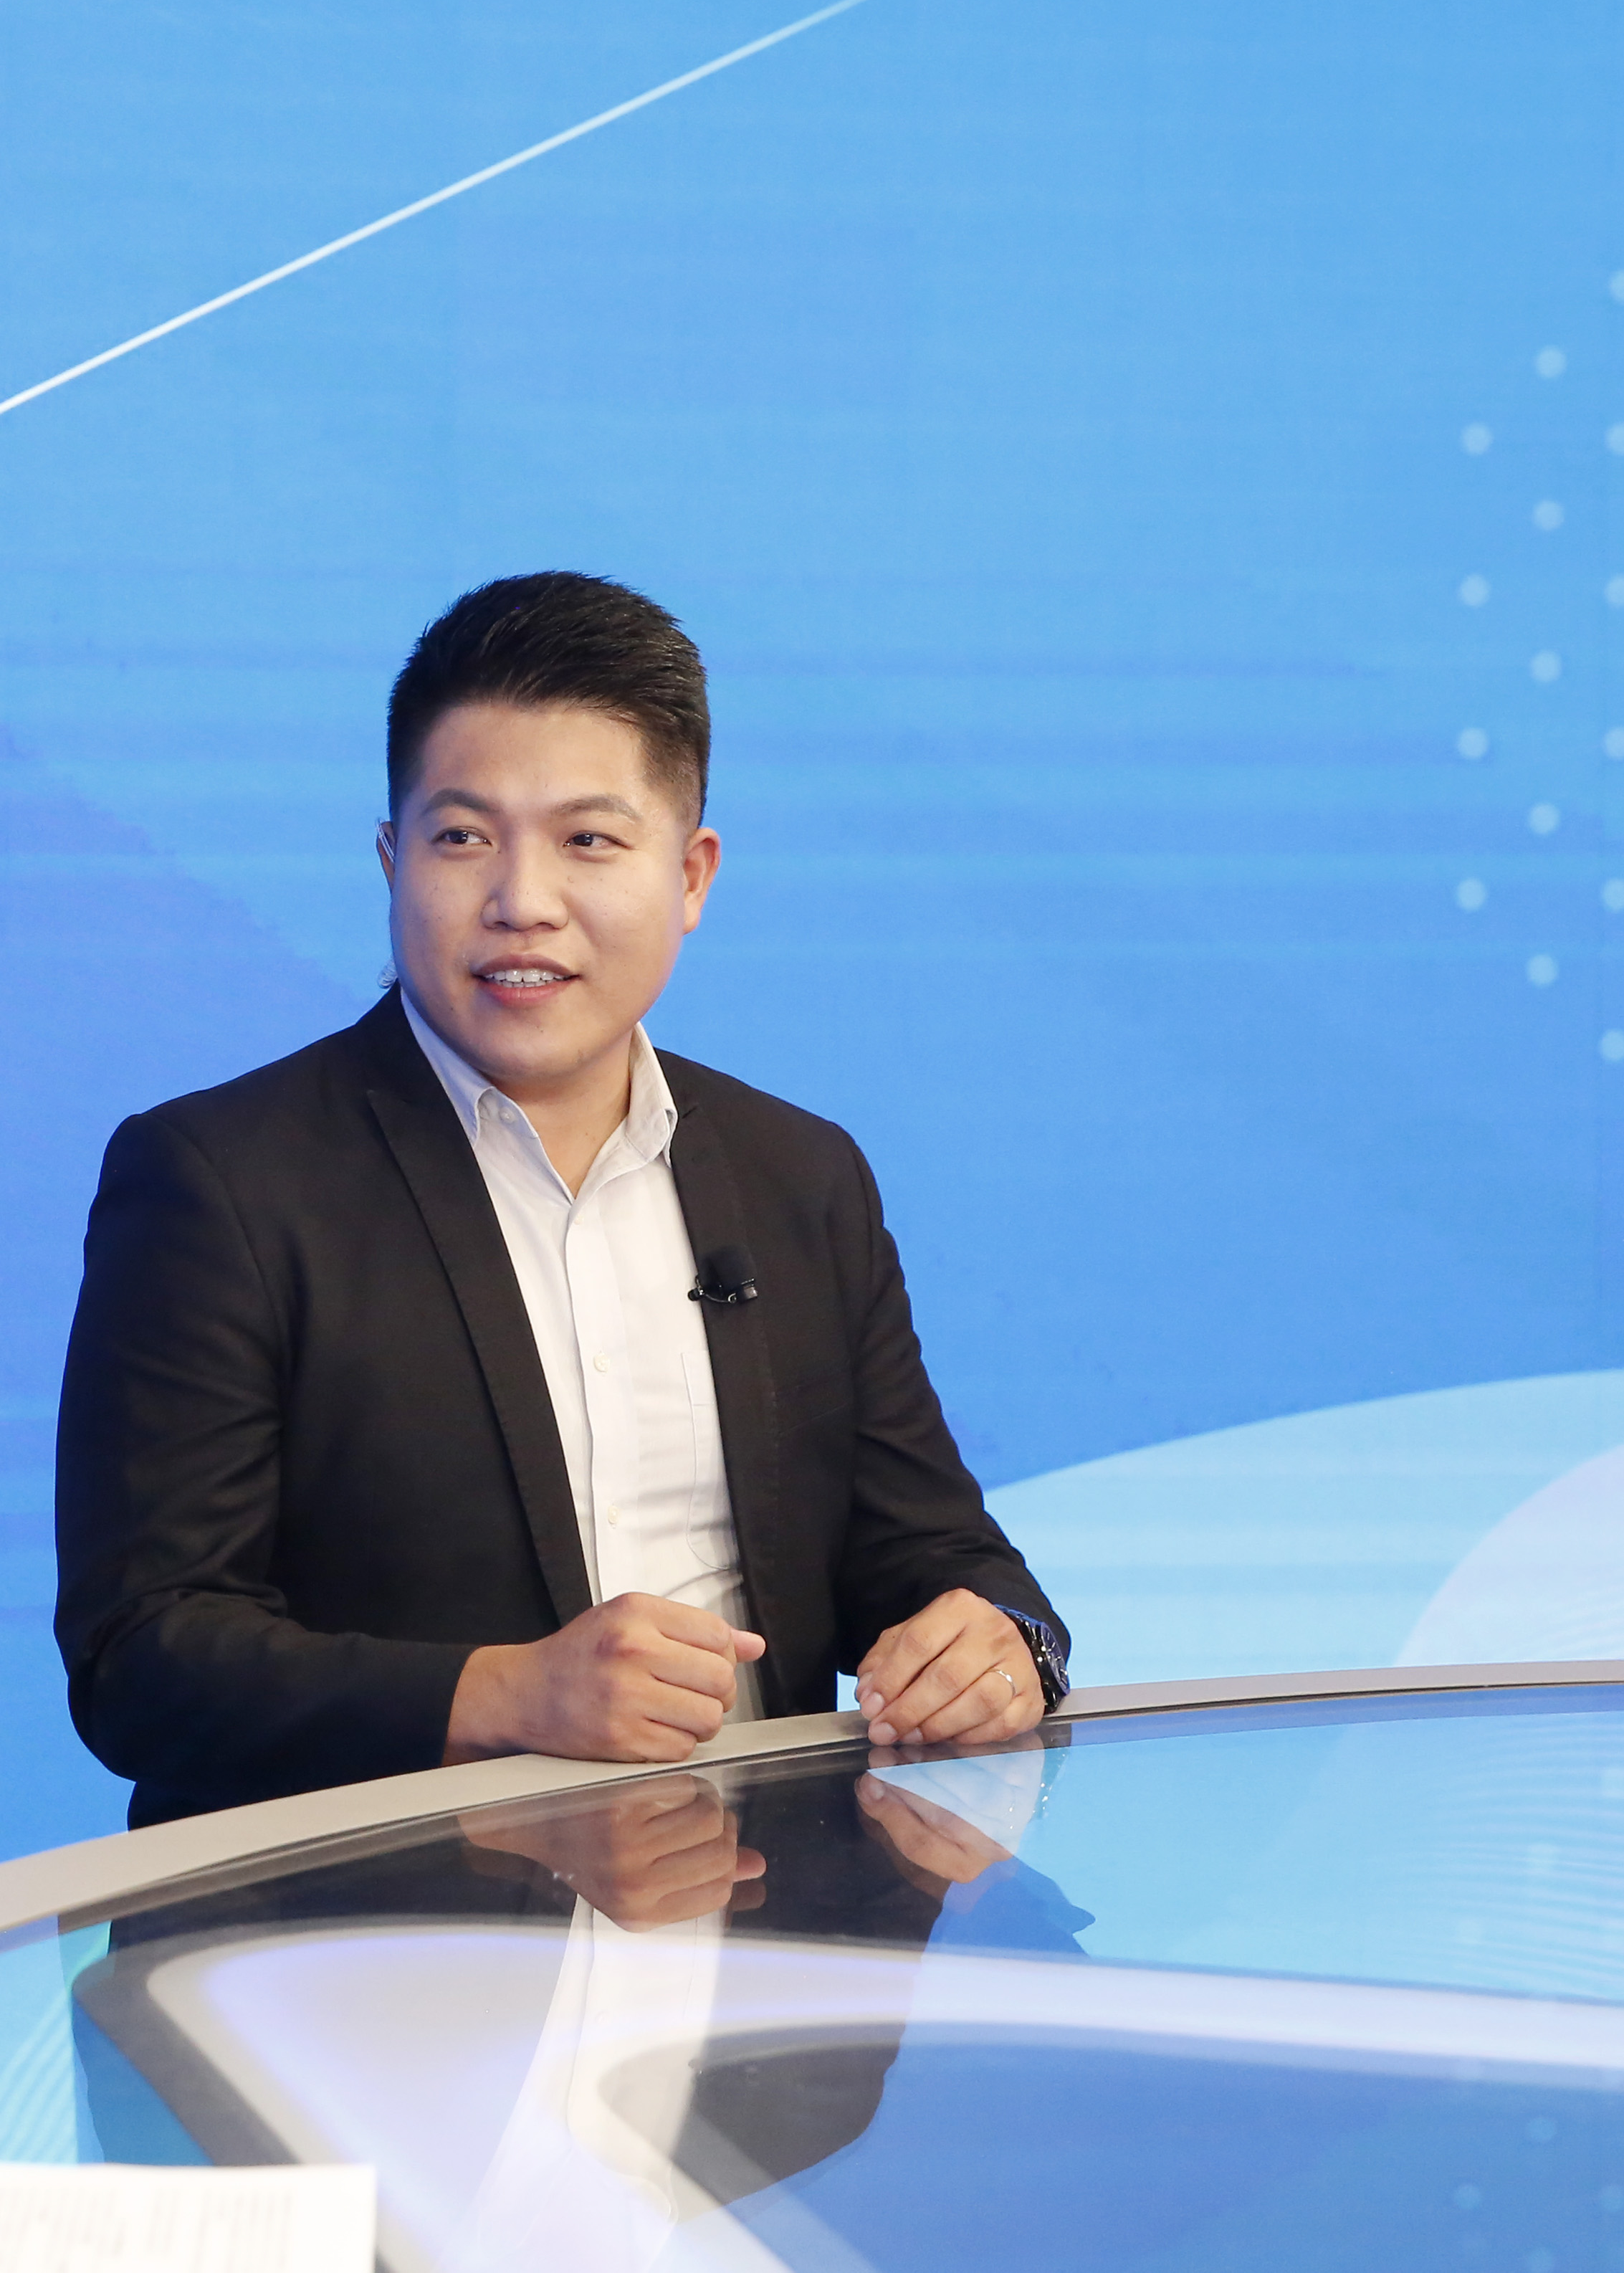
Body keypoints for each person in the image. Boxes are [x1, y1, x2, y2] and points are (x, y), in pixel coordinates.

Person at [53, 571, 1068, 1826]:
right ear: (390, 860)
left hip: (769, 1916)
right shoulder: (221, 1181)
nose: (521, 901)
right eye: (461, 837)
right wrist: (506, 1693)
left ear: (690, 875)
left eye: (587, 840)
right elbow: (140, 1656)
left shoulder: (799, 1175)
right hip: (379, 1926)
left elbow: (934, 1552)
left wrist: (999, 1640)